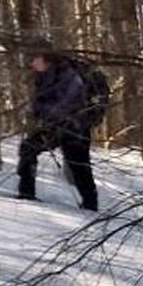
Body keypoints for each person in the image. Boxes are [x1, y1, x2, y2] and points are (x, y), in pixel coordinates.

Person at [15, 42, 99, 212]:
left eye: (33, 59)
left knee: (79, 165)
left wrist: (43, 111)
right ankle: (26, 193)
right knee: (28, 148)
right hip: (55, 126)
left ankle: (91, 206)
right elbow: (42, 101)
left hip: (75, 127)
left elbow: (69, 102)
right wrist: (36, 111)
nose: (31, 64)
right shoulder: (43, 75)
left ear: (44, 58)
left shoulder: (68, 74)